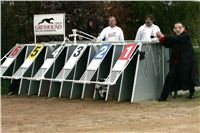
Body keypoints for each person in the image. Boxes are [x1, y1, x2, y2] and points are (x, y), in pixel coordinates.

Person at [156, 22, 199, 101]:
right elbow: (168, 44)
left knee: (189, 78)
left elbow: (176, 39)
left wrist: (163, 36)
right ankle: (163, 96)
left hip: (188, 62)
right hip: (177, 63)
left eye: (179, 27)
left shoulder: (186, 36)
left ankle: (192, 93)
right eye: (176, 28)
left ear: (183, 28)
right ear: (174, 29)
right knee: (169, 78)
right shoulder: (174, 37)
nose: (177, 29)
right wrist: (161, 39)